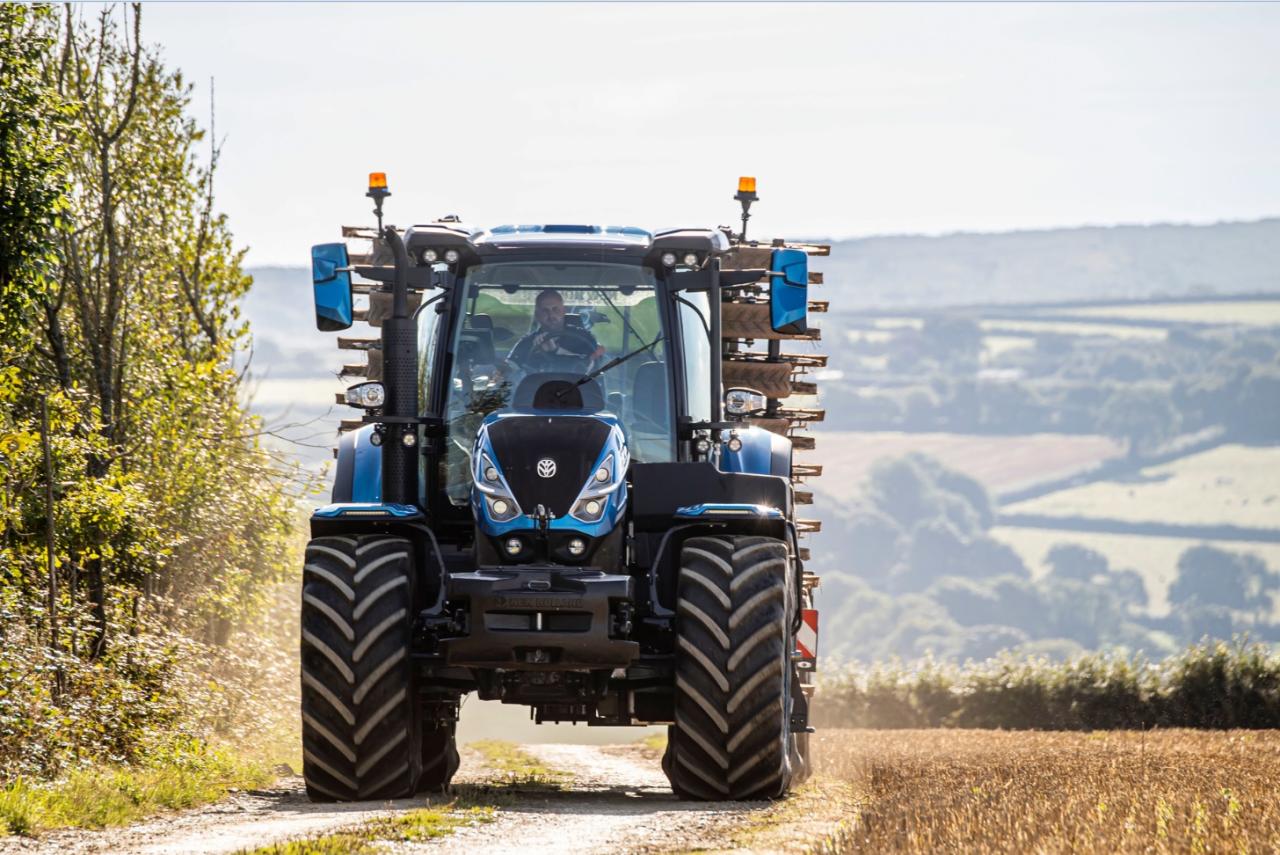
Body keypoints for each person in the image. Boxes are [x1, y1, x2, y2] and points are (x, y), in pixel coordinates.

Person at [506, 289, 605, 373]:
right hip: (535, 394)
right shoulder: (527, 343)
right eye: (545, 310)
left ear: (564, 311)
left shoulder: (584, 339)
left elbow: (591, 367)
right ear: (537, 315)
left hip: (580, 393)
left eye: (555, 309)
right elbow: (509, 372)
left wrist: (556, 350)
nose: (551, 315)